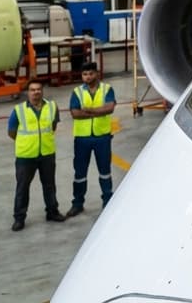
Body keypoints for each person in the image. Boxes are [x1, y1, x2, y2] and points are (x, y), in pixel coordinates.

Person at [7, 79, 67, 230]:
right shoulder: (18, 110)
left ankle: (52, 212)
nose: (36, 92)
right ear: (28, 92)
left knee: (49, 185)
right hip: (26, 156)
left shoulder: (52, 107)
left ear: (42, 91)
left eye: (38, 89)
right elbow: (12, 132)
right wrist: (28, 143)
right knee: (22, 188)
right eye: (32, 90)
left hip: (47, 153)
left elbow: (53, 126)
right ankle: (19, 218)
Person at [67, 61, 116, 216]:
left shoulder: (107, 89)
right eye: (84, 74)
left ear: (97, 73)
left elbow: (110, 108)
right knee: (80, 173)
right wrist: (99, 111)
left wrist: (88, 110)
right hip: (82, 139)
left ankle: (107, 201)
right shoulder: (77, 92)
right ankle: (77, 203)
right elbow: (75, 113)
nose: (87, 77)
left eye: (90, 73)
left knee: (105, 171)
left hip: (102, 137)